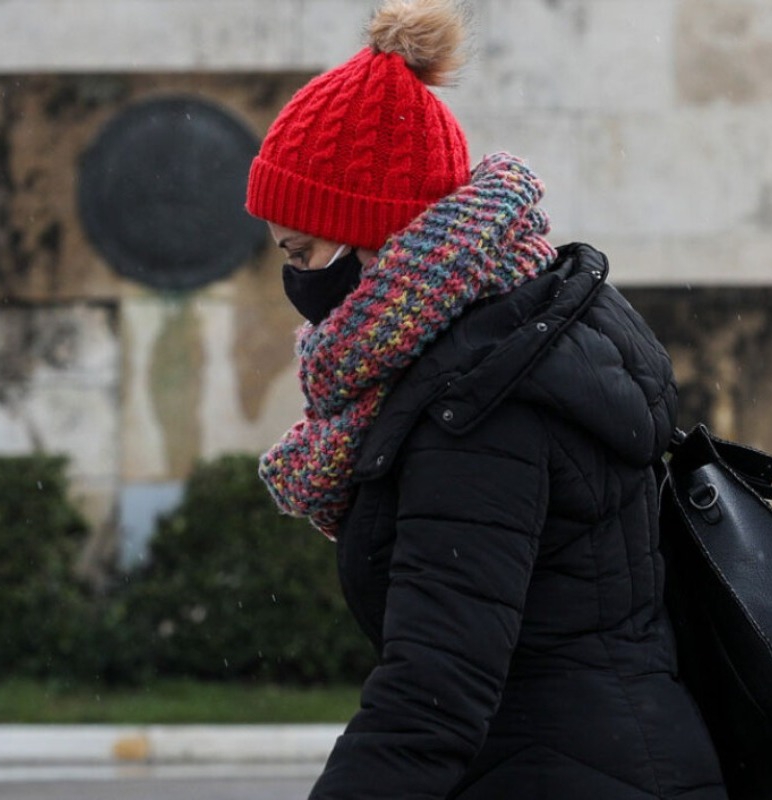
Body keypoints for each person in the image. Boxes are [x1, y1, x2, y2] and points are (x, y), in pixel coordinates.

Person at [245, 1, 727, 797]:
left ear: (376, 237)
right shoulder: (528, 333)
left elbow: (433, 695)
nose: (295, 280)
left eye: (302, 251)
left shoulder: (479, 403)